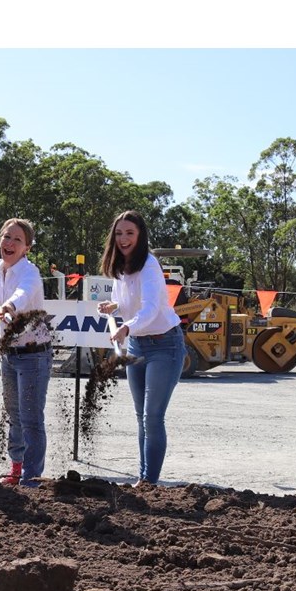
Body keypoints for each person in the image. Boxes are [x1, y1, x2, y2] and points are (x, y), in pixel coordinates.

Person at [96, 209, 186, 488]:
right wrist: (114, 307)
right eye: (119, 233)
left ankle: (148, 481)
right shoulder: (119, 267)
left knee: (152, 416)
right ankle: (144, 479)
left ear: (140, 236)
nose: (123, 239)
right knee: (141, 416)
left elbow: (151, 308)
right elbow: (126, 300)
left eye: (130, 233)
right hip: (137, 345)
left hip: (165, 344)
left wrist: (126, 327)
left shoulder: (149, 265)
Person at [0, 218, 52, 487]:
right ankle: (16, 469)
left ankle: (32, 479)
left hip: (34, 353)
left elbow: (22, 293)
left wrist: (8, 305)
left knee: (31, 417)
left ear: (27, 248)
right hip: (9, 352)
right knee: (14, 414)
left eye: (17, 240)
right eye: (6, 237)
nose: (9, 243)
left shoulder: (30, 272)